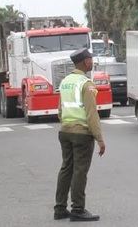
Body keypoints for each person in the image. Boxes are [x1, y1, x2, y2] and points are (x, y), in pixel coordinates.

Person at [53, 48, 105, 221]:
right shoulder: (86, 84)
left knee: (66, 169)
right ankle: (77, 209)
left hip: (65, 131)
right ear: (86, 62)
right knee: (79, 172)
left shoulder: (65, 81)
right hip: (82, 134)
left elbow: (60, 110)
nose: (92, 61)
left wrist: (67, 123)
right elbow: (92, 114)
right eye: (91, 59)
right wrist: (100, 139)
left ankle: (60, 209)